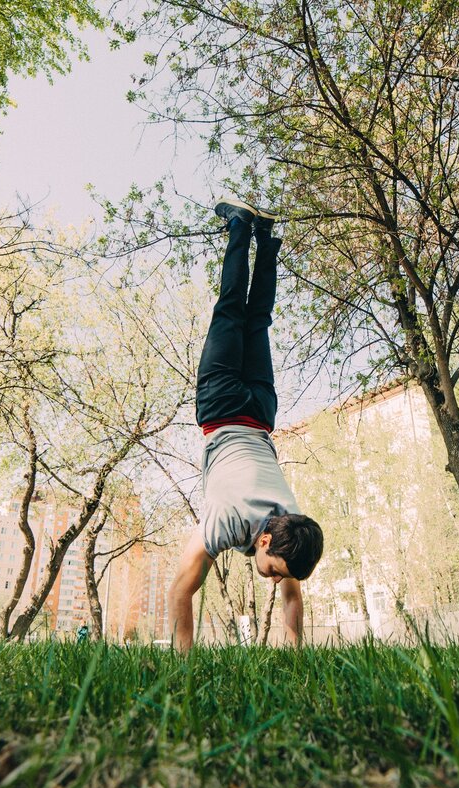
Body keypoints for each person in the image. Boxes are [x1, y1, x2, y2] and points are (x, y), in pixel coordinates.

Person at [168, 198, 324, 654]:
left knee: (258, 323)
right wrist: (184, 661)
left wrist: (294, 653)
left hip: (261, 412)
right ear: (266, 538)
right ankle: (240, 224)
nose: (276, 579)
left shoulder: (290, 519)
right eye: (277, 569)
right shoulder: (228, 523)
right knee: (232, 310)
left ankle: (267, 238)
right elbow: (181, 587)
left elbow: (293, 593)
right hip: (221, 407)